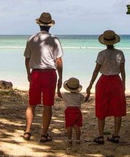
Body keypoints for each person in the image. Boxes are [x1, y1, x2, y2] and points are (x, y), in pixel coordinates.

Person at [23, 12, 64, 142]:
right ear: (50, 26)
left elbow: (27, 59)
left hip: (35, 72)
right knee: (47, 105)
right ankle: (44, 134)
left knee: (32, 104)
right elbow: (58, 61)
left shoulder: (32, 38)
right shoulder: (54, 40)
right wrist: (60, 77)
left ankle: (27, 131)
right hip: (49, 74)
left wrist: (28, 73)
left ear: (39, 25)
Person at [87, 29, 126, 144]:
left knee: (101, 107)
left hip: (103, 81)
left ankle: (100, 136)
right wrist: (123, 83)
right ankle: (116, 135)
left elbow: (96, 71)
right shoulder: (120, 53)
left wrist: (90, 84)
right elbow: (123, 71)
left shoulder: (101, 54)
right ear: (114, 41)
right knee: (117, 109)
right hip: (116, 81)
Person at [60, 77, 85, 145]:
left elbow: (59, 95)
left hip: (69, 111)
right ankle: (78, 140)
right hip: (77, 110)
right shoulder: (79, 95)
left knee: (69, 126)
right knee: (77, 126)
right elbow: (84, 100)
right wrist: (88, 93)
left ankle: (69, 139)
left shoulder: (66, 95)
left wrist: (57, 87)